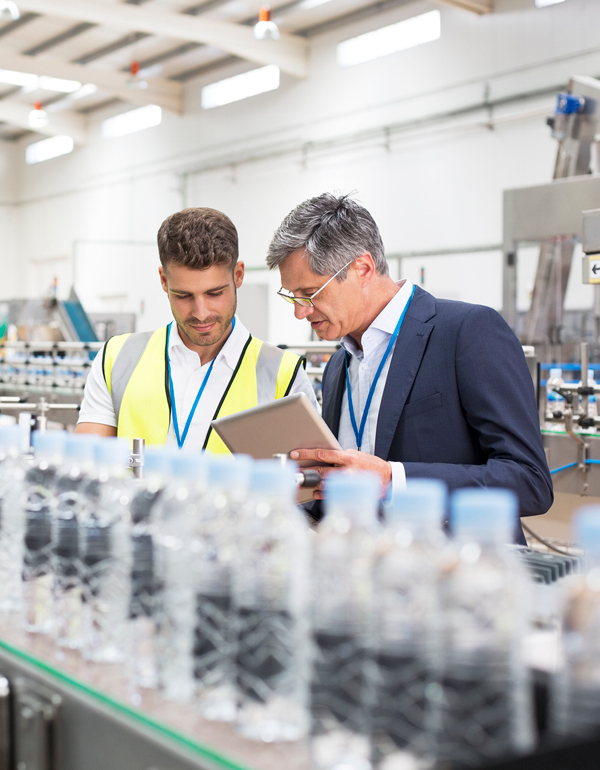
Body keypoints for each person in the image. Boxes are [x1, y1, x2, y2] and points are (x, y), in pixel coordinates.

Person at [266, 193, 553, 541]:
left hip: (458, 575)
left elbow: (529, 481)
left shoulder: (467, 332)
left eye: (309, 293)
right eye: (292, 296)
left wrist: (392, 479)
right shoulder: (338, 366)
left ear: (363, 269)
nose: (300, 311)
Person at [77, 207, 317, 451]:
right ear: (164, 280)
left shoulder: (283, 376)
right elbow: (86, 467)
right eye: (183, 296)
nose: (200, 313)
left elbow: (305, 482)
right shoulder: (117, 359)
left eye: (214, 293)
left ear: (238, 275)